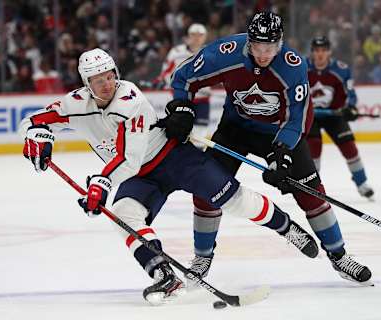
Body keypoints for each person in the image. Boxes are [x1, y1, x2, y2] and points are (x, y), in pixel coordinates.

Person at [20, 48, 318, 305]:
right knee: (125, 215)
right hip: (141, 177)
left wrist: (101, 182)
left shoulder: (129, 99)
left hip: (174, 158)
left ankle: (286, 226)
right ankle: (163, 273)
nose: (108, 83)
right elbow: (32, 120)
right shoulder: (75, 104)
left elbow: (128, 157)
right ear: (87, 84)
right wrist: (38, 136)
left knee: (233, 200)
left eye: (111, 75)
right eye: (99, 80)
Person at [166, 12, 372, 285]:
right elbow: (182, 78)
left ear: (280, 43)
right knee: (207, 191)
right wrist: (182, 110)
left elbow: (297, 118)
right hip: (235, 129)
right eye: (259, 47)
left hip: (278, 133)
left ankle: (339, 256)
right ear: (249, 42)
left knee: (312, 195)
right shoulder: (223, 53)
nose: (264, 54)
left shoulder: (293, 65)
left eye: (271, 48)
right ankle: (202, 257)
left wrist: (282, 154)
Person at [306, 36, 375, 199]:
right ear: (312, 53)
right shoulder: (301, 67)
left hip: (334, 115)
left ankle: (362, 183)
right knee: (313, 149)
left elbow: (351, 93)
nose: (320, 54)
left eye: (323, 50)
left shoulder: (341, 69)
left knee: (349, 148)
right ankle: (313, 188)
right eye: (317, 51)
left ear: (329, 52)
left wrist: (350, 107)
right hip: (310, 116)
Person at [153, 23, 211, 144]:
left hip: (202, 99)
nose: (196, 38)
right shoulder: (177, 52)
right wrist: (162, 81)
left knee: (201, 131)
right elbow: (166, 71)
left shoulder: (210, 52)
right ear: (188, 36)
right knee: (180, 130)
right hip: (182, 98)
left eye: (200, 35)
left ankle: (198, 156)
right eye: (193, 35)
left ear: (205, 37)